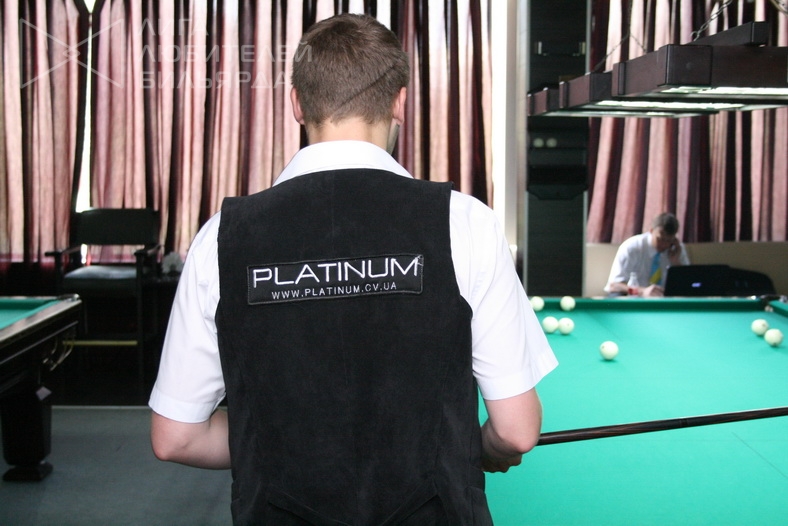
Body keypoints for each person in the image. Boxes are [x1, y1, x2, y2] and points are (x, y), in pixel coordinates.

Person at [149, 13, 557, 525]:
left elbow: (176, 436)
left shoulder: (221, 237)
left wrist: (280, 443)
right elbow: (516, 431)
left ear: (296, 103)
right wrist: (476, 448)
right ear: (400, 103)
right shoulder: (465, 222)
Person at [605, 212, 690, 297]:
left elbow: (688, 285)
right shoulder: (632, 247)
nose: (664, 244)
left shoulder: (677, 250)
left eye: (669, 241)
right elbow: (614, 286)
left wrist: (676, 263)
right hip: (635, 298)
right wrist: (641, 291)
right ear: (651, 231)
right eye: (660, 239)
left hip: (666, 300)